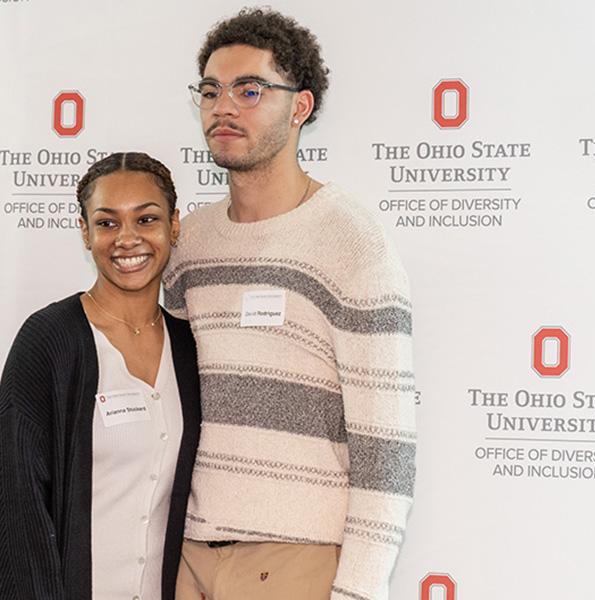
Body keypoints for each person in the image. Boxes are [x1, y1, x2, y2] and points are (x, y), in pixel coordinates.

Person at [165, 8, 416, 600]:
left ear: (299, 107)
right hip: (189, 552)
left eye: (250, 90)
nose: (223, 107)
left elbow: (388, 446)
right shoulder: (190, 244)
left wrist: (358, 588)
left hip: (297, 560)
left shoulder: (351, 241)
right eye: (211, 90)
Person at [0, 152, 202, 600]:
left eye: (147, 219)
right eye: (107, 223)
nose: (128, 239)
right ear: (85, 232)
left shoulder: (190, 344)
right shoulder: (50, 340)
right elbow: (10, 507)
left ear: (174, 226)